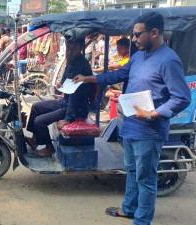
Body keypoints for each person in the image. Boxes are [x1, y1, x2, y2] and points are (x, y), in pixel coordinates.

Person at [73, 12, 191, 225]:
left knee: (145, 178)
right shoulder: (137, 56)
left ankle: (142, 220)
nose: (133, 39)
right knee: (132, 170)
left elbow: (182, 98)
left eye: (137, 35)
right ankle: (129, 209)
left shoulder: (169, 60)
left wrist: (151, 113)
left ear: (154, 32)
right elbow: (116, 76)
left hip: (149, 131)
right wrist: (87, 78)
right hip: (129, 126)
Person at [25, 38, 93, 157]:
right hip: (66, 101)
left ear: (80, 49)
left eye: (73, 49)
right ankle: (35, 137)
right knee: (36, 107)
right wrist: (60, 84)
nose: (70, 52)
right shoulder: (71, 61)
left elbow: (75, 96)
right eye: (68, 49)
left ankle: (49, 148)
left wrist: (68, 119)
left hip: (76, 108)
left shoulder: (81, 65)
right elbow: (65, 82)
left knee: (39, 121)